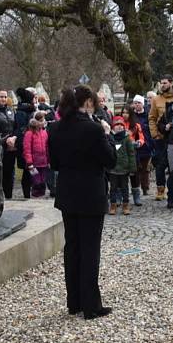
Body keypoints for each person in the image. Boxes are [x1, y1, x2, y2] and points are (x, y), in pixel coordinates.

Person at [48, 85, 116, 320]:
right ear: (87, 102)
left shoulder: (55, 128)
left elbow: (54, 163)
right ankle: (91, 305)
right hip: (91, 194)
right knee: (90, 249)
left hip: (67, 194)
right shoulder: (94, 129)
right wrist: (107, 135)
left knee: (72, 247)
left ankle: (74, 301)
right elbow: (110, 160)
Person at [148, 75, 173, 201]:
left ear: (171, 83)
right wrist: (155, 134)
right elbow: (152, 118)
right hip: (161, 137)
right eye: (161, 83)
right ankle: (160, 189)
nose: (162, 85)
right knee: (160, 165)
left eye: (165, 83)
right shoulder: (156, 99)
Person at [107, 116, 137, 215]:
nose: (119, 127)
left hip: (124, 169)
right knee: (113, 188)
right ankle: (113, 205)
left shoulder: (127, 139)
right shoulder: (110, 139)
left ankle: (125, 205)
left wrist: (132, 168)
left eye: (121, 125)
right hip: (113, 169)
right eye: (117, 125)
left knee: (125, 188)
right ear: (112, 128)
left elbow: (131, 154)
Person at [0, 88, 17, 200]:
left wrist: (14, 138)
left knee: (10, 172)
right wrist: (3, 139)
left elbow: (16, 126)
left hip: (11, 146)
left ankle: (9, 196)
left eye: (5, 97)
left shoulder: (11, 110)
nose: (4, 99)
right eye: (1, 96)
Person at [14, 87, 37, 199]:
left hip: (32, 143)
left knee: (31, 170)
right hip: (26, 144)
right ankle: (27, 193)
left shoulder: (28, 111)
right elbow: (22, 129)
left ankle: (31, 191)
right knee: (28, 169)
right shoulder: (22, 113)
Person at [120, 104, 146, 206]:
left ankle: (136, 196)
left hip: (132, 153)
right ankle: (121, 196)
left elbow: (141, 138)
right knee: (121, 176)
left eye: (127, 113)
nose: (125, 115)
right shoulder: (118, 124)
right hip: (121, 154)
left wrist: (139, 143)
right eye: (123, 112)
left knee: (134, 175)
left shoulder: (136, 125)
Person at [130, 96, 153, 197]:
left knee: (145, 168)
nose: (137, 105)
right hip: (134, 145)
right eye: (135, 103)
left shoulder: (148, 115)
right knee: (135, 168)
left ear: (142, 104)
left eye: (139, 103)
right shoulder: (132, 116)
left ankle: (145, 188)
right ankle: (136, 188)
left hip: (146, 145)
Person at [23, 111, 50, 198]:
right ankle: (35, 197)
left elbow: (46, 147)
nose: (43, 122)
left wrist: (48, 160)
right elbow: (27, 149)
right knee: (36, 182)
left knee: (43, 181)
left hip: (44, 163)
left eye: (44, 120)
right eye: (41, 120)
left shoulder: (44, 132)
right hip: (33, 164)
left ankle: (41, 198)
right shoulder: (29, 133)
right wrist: (29, 162)